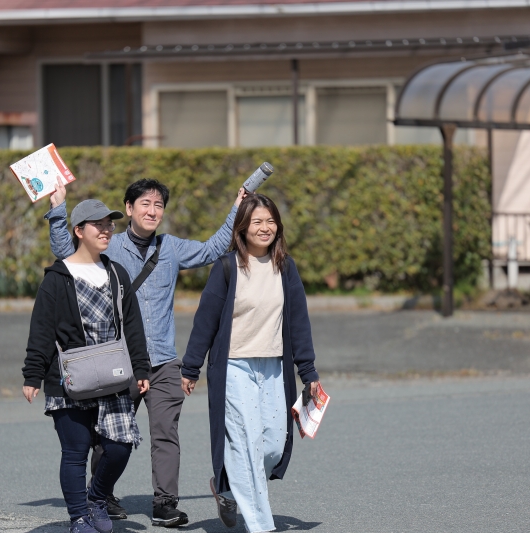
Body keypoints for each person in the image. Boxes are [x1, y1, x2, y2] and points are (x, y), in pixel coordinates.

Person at [46, 177, 246, 527]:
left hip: (164, 360)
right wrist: (57, 208)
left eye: (158, 205)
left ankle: (165, 503)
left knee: (166, 432)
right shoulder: (109, 245)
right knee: (110, 433)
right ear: (129, 209)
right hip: (119, 359)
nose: (152, 211)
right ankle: (102, 495)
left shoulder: (171, 247)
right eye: (145, 204)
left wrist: (237, 209)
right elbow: (65, 251)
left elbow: (213, 249)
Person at [180, 193, 320, 533]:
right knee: (246, 445)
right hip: (234, 368)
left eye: (270, 221)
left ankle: (228, 490)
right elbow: (206, 319)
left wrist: (308, 372)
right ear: (242, 227)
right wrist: (191, 366)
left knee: (273, 444)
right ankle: (260, 525)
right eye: (257, 221)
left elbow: (299, 322)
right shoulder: (227, 267)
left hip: (273, 368)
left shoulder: (285, 267)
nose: (264, 227)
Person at [22, 199, 152, 533]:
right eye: (99, 224)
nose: (106, 230)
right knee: (75, 452)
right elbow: (42, 329)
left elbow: (133, 325)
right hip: (69, 377)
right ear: (79, 231)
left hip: (113, 375)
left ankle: (96, 499)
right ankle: (79, 517)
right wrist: (32, 375)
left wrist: (141, 369)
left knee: (120, 445)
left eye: (110, 224)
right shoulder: (57, 278)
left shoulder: (117, 273)